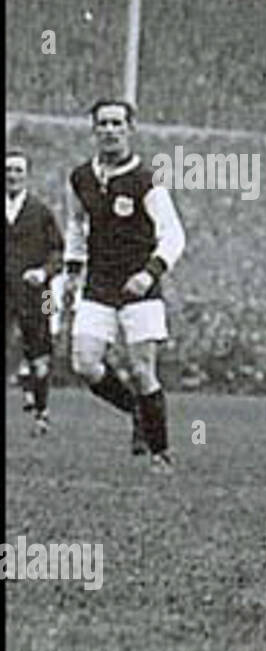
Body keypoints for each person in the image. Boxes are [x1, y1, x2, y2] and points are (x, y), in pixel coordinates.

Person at [63, 100, 186, 472]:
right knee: (84, 363)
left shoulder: (146, 180)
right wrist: (71, 273)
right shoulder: (80, 177)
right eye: (103, 123)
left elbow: (174, 235)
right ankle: (135, 410)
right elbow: (75, 225)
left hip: (139, 287)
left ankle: (160, 453)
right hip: (98, 284)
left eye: (117, 123)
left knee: (141, 369)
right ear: (94, 129)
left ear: (130, 129)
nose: (110, 130)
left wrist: (149, 273)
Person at [5, 148, 64, 435]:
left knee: (41, 351)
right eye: (8, 170)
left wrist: (43, 272)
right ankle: (23, 381)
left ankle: (42, 413)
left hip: (39, 294)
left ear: (27, 175)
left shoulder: (41, 212)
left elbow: (58, 253)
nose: (12, 176)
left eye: (18, 170)